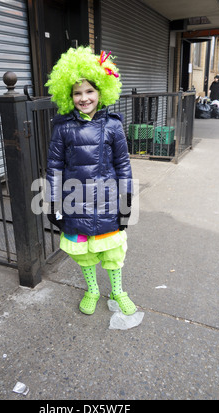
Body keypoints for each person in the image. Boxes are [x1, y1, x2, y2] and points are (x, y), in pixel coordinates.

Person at [45, 46, 136, 316]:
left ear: (102, 91)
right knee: (83, 251)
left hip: (108, 200)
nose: (84, 98)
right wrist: (53, 203)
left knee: (112, 251)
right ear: (68, 95)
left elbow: (123, 166)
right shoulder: (63, 127)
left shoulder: (114, 125)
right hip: (75, 201)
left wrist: (126, 202)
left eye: (89, 91)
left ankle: (118, 290)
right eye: (77, 92)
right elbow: (54, 167)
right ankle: (92, 289)